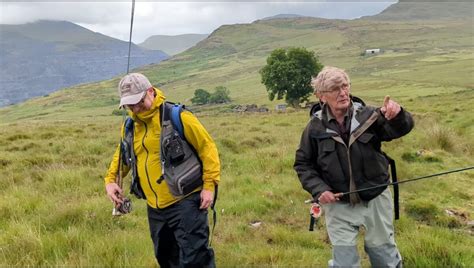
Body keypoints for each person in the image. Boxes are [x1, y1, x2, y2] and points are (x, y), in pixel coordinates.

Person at [294, 67, 414, 267]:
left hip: (376, 198)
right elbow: (303, 164)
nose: (342, 93)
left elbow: (400, 129)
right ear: (321, 96)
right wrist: (319, 189)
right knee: (345, 263)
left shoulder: (370, 116)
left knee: (385, 258)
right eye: (335, 89)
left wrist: (398, 115)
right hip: (338, 204)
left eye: (345, 86)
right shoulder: (314, 128)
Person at [104, 73, 220, 267]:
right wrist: (111, 180)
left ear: (150, 91)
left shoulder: (178, 116)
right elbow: (123, 154)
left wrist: (209, 185)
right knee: (166, 259)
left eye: (138, 102)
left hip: (186, 202)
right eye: (129, 105)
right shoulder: (130, 125)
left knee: (195, 260)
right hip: (155, 208)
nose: (135, 108)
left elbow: (207, 148)